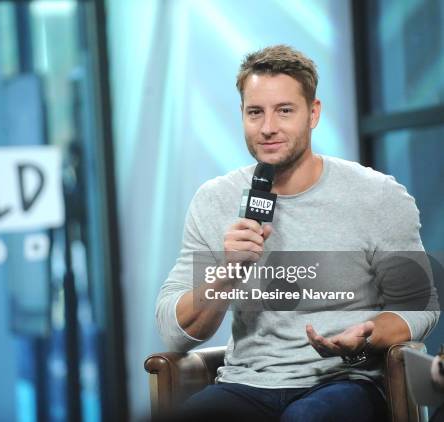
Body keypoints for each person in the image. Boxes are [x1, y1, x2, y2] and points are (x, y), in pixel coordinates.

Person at [155, 45, 439, 421]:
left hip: (345, 380)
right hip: (247, 382)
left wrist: (367, 334)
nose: (268, 127)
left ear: (313, 113)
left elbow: (418, 304)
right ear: (242, 115)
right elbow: (175, 333)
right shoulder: (215, 199)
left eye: (284, 110)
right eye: (255, 112)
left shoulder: (377, 195)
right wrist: (225, 276)